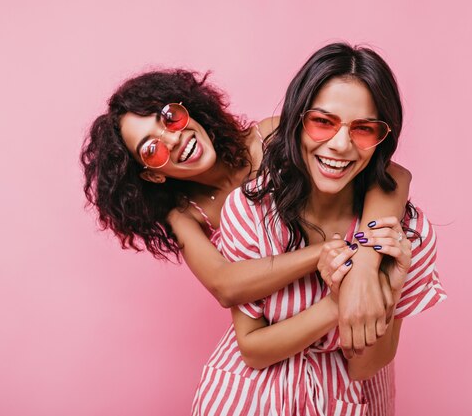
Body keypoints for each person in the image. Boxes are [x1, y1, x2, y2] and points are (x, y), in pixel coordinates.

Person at [81, 67, 410, 413]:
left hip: (351, 337)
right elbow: (226, 285)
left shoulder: (268, 137)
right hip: (273, 350)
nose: (172, 139)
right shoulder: (186, 214)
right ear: (151, 174)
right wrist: (331, 254)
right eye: (152, 149)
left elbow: (392, 176)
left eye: (170, 117)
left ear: (189, 109)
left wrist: (365, 264)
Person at [191, 42, 446, 416]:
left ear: (382, 139)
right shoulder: (252, 211)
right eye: (323, 122)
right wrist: (336, 303)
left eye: (363, 129)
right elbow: (253, 349)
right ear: (296, 120)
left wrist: (385, 289)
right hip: (249, 398)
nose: (340, 145)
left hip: (352, 399)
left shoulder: (404, 234)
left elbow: (366, 365)